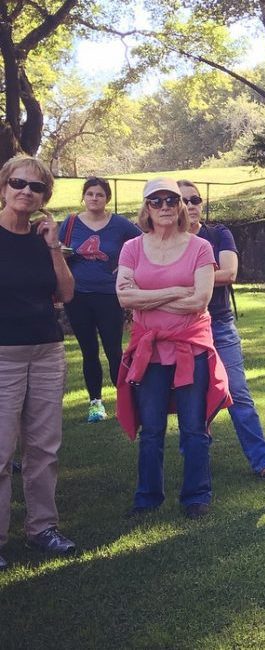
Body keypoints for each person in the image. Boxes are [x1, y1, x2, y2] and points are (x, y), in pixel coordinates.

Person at [115, 178, 230, 520]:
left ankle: (197, 494)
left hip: (189, 349)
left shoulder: (200, 248)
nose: (164, 206)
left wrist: (147, 299)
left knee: (194, 426)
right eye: (156, 201)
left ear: (180, 206)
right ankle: (148, 496)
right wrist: (175, 290)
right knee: (151, 429)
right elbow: (124, 297)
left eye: (171, 200)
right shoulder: (132, 247)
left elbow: (199, 301)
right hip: (149, 352)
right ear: (146, 208)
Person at [0, 155, 78, 569]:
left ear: (45, 196)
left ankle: (42, 528)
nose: (26, 192)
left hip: (47, 351)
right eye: (18, 183)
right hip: (3, 355)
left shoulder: (43, 239)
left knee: (44, 446)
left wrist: (53, 248)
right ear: (3, 186)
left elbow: (66, 294)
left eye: (36, 187)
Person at [179, 180, 265, 481]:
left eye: (195, 199)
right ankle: (195, 464)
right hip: (184, 329)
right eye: (183, 200)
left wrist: (185, 279)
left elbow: (230, 272)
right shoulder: (167, 241)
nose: (191, 205)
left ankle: (264, 462)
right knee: (192, 398)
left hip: (219, 324)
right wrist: (204, 278)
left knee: (236, 392)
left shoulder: (217, 233)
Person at [58, 177, 142, 423]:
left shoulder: (119, 224)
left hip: (108, 296)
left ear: (107, 198)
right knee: (89, 351)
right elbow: (59, 251)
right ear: (83, 197)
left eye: (100, 194)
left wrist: (128, 271)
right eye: (90, 194)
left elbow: (143, 244)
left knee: (114, 350)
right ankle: (95, 403)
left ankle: (124, 402)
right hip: (78, 296)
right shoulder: (71, 223)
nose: (94, 198)